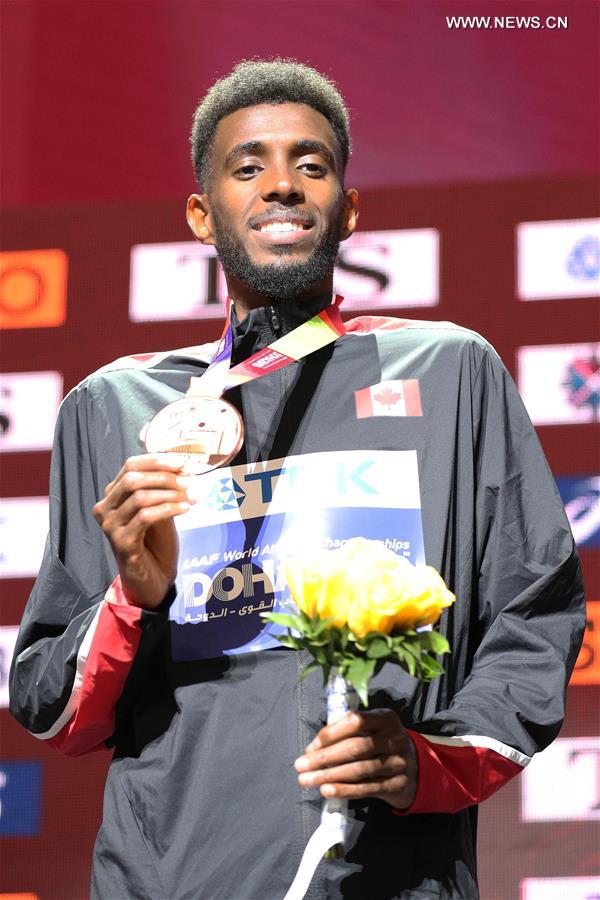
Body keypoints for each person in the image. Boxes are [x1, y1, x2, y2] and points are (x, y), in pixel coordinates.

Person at [10, 59, 584, 900]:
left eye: (310, 164)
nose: (281, 185)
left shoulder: (453, 372)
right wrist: (135, 591)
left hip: (386, 879)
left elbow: (533, 620)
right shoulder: (114, 407)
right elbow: (53, 707)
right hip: (165, 880)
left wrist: (426, 761)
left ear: (349, 209)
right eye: (249, 168)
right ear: (202, 216)